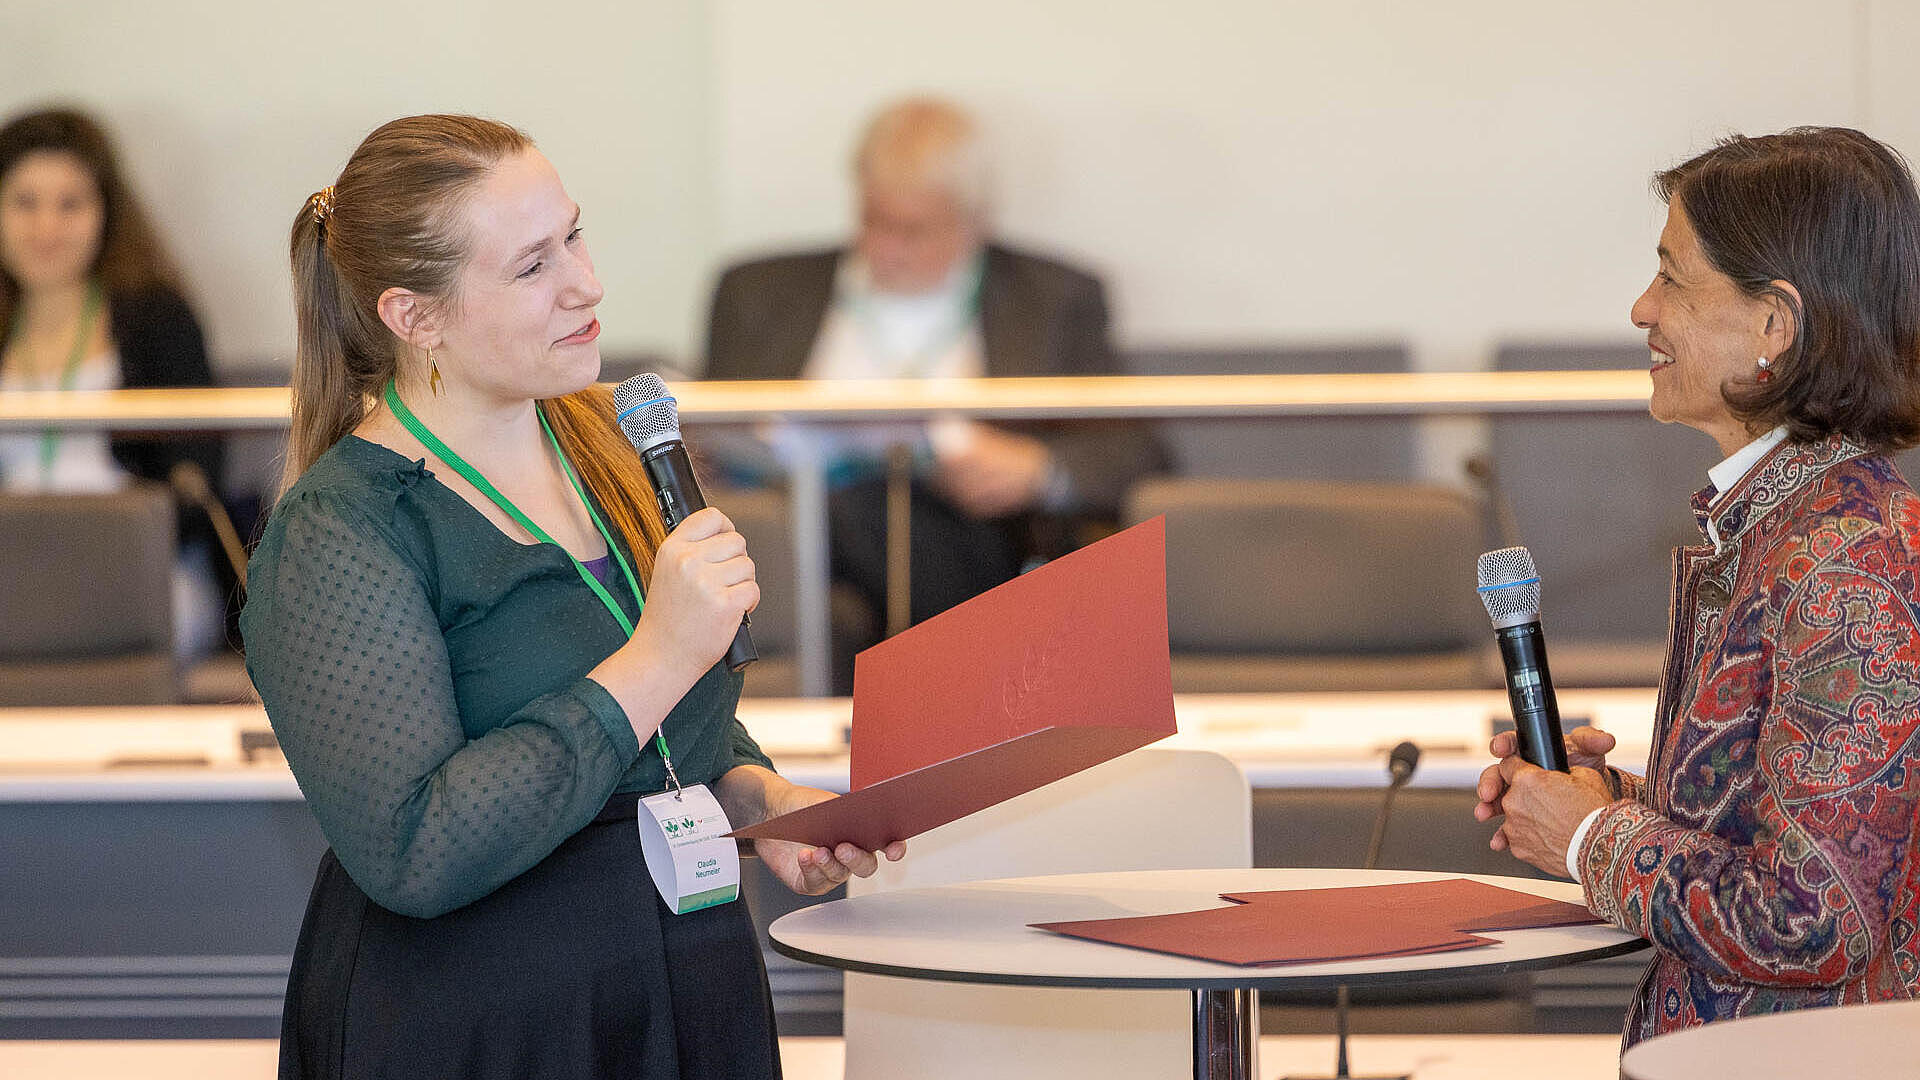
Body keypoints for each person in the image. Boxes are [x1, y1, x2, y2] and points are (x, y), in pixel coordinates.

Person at [242, 115, 902, 1079]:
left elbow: (675, 722)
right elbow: (417, 850)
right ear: (413, 317)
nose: (585, 284)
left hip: (686, 977)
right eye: (530, 266)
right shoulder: (342, 529)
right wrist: (661, 652)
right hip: (489, 1016)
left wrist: (757, 800)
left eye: (576, 236)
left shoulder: (605, 438)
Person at [1475, 127, 1920, 1049]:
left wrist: (1591, 841)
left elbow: (1814, 918)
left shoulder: (1847, 565)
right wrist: (1600, 799)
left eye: (1673, 277)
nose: (1643, 308)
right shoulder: (1784, 524)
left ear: (1775, 326)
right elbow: (1768, 832)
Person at [703, 97, 1166, 664]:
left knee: (884, 511)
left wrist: (1037, 469)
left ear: (976, 221)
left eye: (915, 231)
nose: (887, 249)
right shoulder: (756, 294)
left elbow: (1138, 454)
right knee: (826, 522)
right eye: (874, 222)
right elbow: (706, 442)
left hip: (973, 541)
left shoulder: (1051, 299)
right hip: (792, 537)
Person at [0, 107, 227, 658]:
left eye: (69, 204)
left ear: (106, 212)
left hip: (140, 570)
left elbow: (196, 485)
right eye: (24, 203)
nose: (45, 229)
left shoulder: (157, 318)